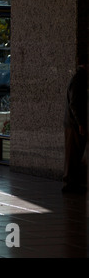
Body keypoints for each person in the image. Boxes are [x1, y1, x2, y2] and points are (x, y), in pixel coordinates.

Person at [63, 55, 88, 193]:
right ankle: (70, 184)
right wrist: (80, 123)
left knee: (74, 154)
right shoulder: (79, 79)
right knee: (73, 154)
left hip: (73, 123)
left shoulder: (79, 78)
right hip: (74, 124)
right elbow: (75, 103)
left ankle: (72, 183)